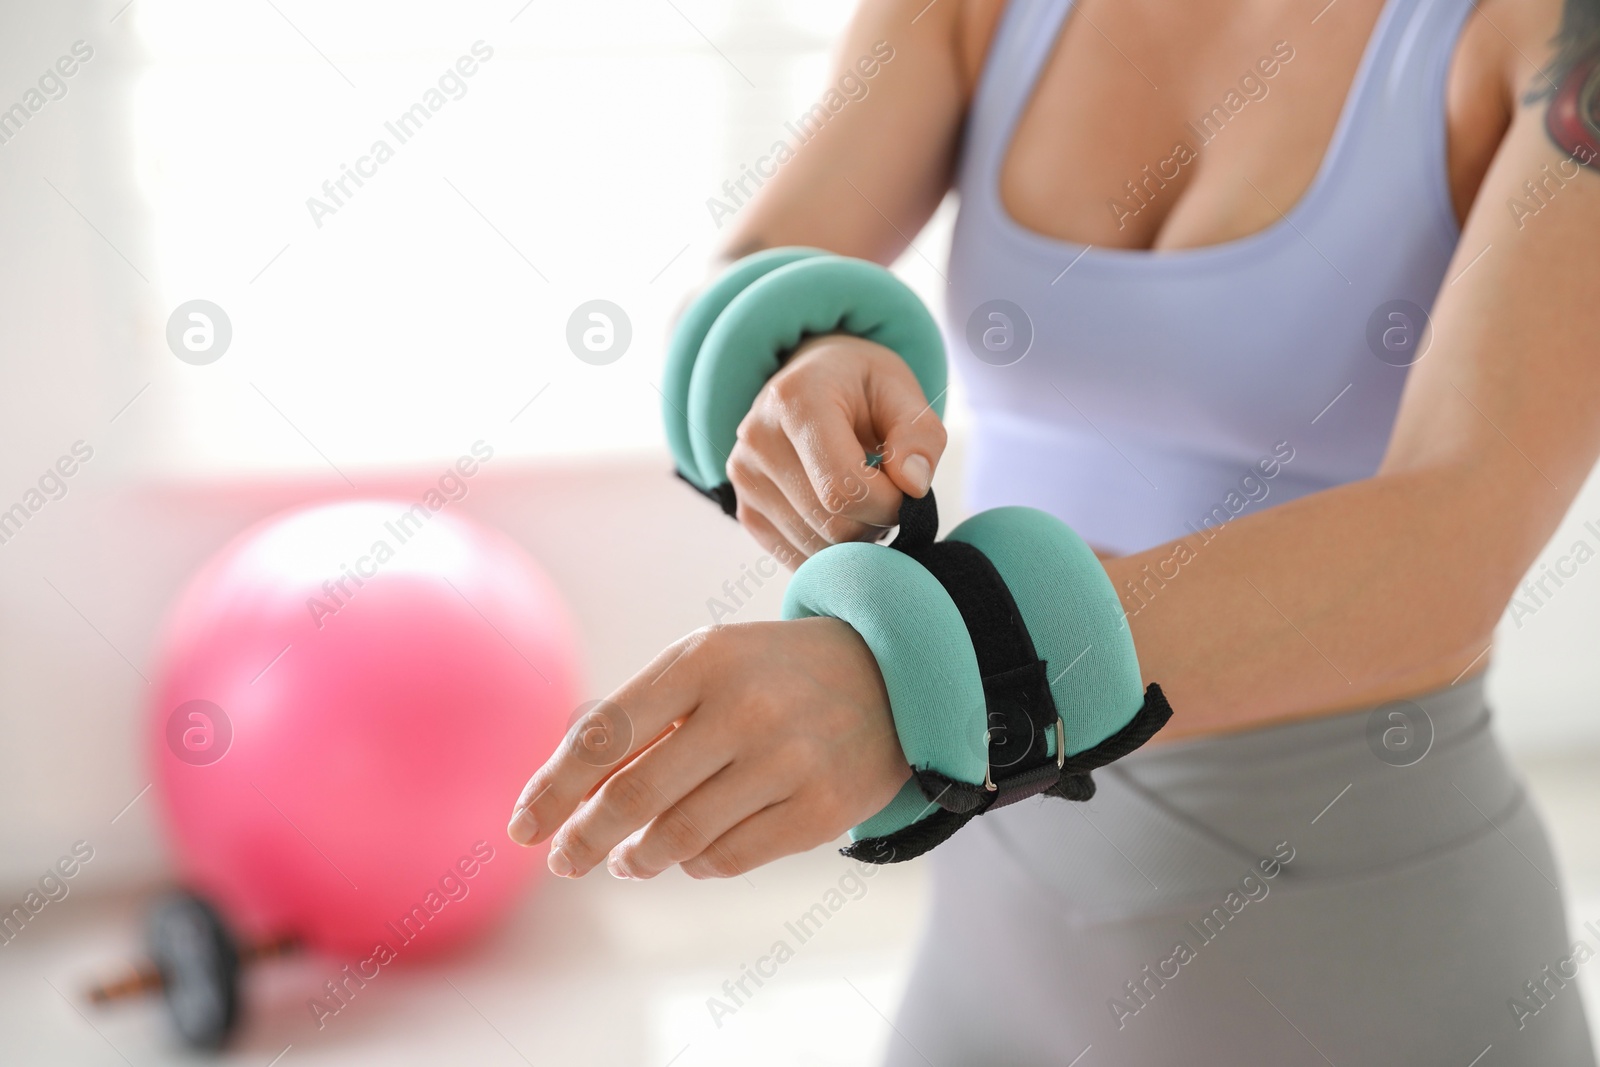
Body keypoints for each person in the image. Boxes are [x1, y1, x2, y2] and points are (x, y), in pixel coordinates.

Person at [509, 0, 1600, 1061]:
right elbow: (760, 272)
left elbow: (1449, 548)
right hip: (994, 920)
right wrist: (806, 368)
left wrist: (923, 678)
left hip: (1360, 955)